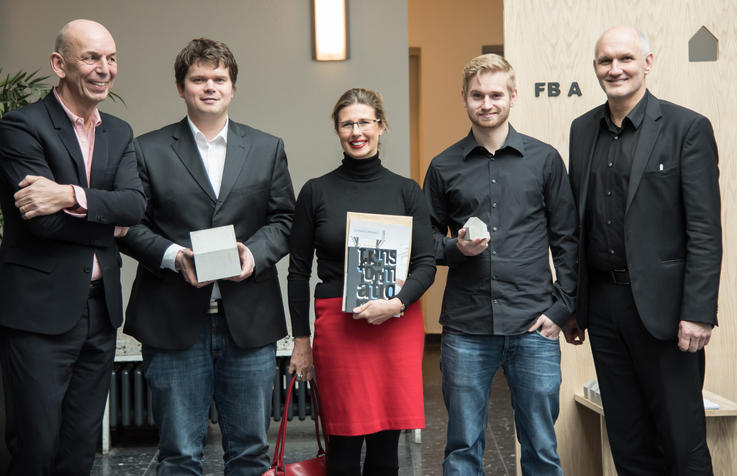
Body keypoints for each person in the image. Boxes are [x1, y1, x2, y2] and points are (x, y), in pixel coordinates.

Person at [118, 38, 295, 475]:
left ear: (233, 87)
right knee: (178, 455)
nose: (210, 86)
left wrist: (252, 255)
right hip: (172, 320)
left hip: (249, 321)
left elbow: (285, 220)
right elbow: (128, 226)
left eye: (219, 78)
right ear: (182, 88)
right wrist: (176, 256)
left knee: (250, 453)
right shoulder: (147, 149)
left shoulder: (266, 147)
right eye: (199, 79)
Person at [567, 26, 721, 475]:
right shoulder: (582, 131)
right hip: (604, 307)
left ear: (647, 64)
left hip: (668, 312)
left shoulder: (685, 128)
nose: (614, 69)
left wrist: (698, 310)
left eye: (625, 59)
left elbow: (705, 230)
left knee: (682, 442)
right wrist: (575, 305)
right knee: (627, 441)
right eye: (604, 61)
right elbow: (579, 226)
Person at [0, 19, 146, 475]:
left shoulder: (119, 132)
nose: (105, 69)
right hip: (39, 316)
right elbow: (41, 225)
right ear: (59, 65)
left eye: (111, 58)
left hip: (100, 313)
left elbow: (136, 206)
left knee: (79, 448)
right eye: (91, 58)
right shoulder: (20, 126)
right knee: (36, 446)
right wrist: (109, 219)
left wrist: (69, 196)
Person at [423, 54, 577, 475]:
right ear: (464, 99)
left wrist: (561, 309)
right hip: (466, 328)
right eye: (477, 95)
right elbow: (425, 245)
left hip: (534, 324)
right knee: (462, 449)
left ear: (512, 96)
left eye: (495, 94)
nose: (486, 103)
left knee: (542, 447)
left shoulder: (545, 161)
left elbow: (567, 240)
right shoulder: (443, 166)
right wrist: (456, 248)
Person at [287, 88, 436, 476]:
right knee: (344, 441)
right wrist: (300, 341)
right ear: (337, 130)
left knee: (387, 444)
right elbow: (298, 270)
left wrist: (397, 303)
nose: (357, 131)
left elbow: (425, 263)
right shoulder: (315, 191)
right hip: (338, 327)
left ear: (381, 127)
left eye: (365, 122)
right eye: (347, 123)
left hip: (396, 324)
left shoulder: (407, 191)